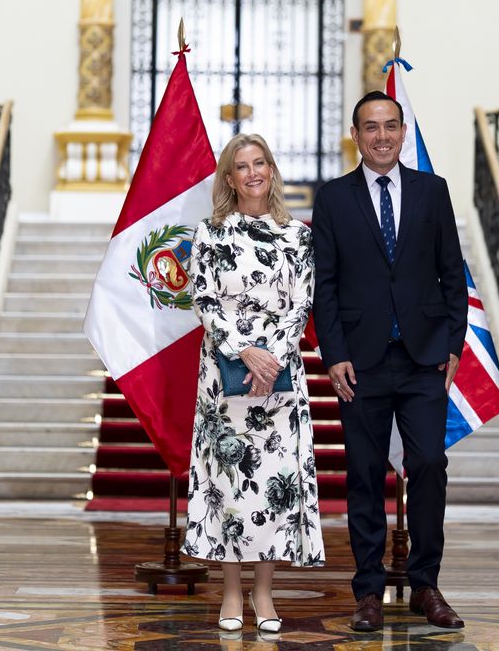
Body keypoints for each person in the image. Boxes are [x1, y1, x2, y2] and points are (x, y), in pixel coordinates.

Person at [312, 90, 468, 631]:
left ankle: (426, 584)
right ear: (356, 135)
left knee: (429, 465)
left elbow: (453, 271)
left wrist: (454, 344)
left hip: (425, 357)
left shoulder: (433, 191)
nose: (382, 136)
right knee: (363, 475)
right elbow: (324, 286)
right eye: (370, 127)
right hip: (361, 363)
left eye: (391, 126)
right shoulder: (333, 199)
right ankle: (369, 593)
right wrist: (333, 355)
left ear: (404, 132)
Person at [182, 133, 323, 634]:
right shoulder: (210, 232)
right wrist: (244, 351)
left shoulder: (299, 235)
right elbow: (204, 299)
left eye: (260, 162)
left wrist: (273, 359)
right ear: (229, 177)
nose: (253, 172)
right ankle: (231, 593)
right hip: (226, 373)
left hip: (280, 379)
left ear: (271, 169)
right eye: (241, 166)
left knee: (271, 488)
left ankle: (264, 593)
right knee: (230, 484)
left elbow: (302, 303)